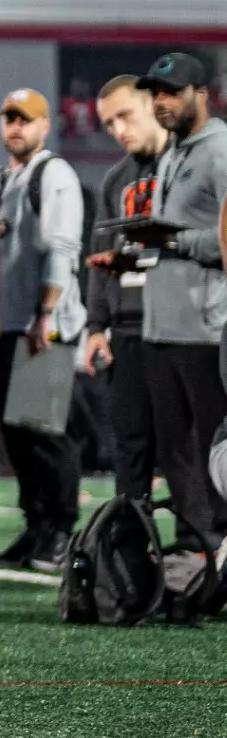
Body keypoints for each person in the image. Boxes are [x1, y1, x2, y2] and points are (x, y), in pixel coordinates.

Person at [0, 88, 85, 571]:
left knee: (45, 432)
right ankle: (37, 527)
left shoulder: (52, 173)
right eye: (9, 119)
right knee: (18, 436)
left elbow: (62, 248)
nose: (16, 127)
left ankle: (61, 531)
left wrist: (47, 314)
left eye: (26, 119)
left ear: (44, 125)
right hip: (7, 324)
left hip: (41, 325)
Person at [134, 52, 227, 551]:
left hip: (207, 329)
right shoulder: (170, 154)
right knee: (176, 455)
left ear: (201, 95)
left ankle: (221, 550)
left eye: (172, 92)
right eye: (156, 93)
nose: (162, 102)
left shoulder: (221, 150)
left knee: (215, 449)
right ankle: (194, 553)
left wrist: (178, 242)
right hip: (160, 326)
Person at [82, 75, 165, 502]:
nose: (117, 130)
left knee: (187, 449)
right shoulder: (115, 179)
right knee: (130, 449)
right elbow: (100, 259)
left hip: (179, 328)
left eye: (125, 116)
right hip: (128, 329)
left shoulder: (189, 165)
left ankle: (195, 552)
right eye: (109, 122)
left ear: (152, 105)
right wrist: (96, 326)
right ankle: (130, 553)